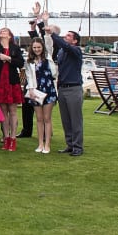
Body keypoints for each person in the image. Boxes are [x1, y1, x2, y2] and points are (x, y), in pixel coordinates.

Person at [44, 11, 84, 156]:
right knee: (66, 119)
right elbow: (50, 46)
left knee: (75, 120)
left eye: (68, 36)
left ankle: (78, 147)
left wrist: (53, 34)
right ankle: (70, 144)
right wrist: (45, 24)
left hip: (74, 88)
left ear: (75, 41)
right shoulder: (61, 52)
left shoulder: (76, 51)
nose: (65, 37)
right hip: (62, 88)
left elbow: (64, 46)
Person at [0, 27, 24, 152]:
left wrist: (8, 58)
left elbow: (20, 63)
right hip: (0, 82)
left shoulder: (15, 48)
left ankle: (13, 138)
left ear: (10, 36)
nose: (2, 32)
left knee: (13, 111)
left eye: (5, 31)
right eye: (1, 31)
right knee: (3, 112)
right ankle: (6, 137)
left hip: (12, 82)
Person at [24, 37, 58, 154]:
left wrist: (46, 29)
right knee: (39, 119)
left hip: (49, 90)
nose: (37, 49)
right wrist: (31, 90)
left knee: (47, 118)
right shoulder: (29, 61)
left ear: (42, 47)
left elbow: (49, 42)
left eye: (39, 47)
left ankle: (47, 144)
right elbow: (29, 76)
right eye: (34, 47)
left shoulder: (48, 57)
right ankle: (40, 144)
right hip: (36, 91)